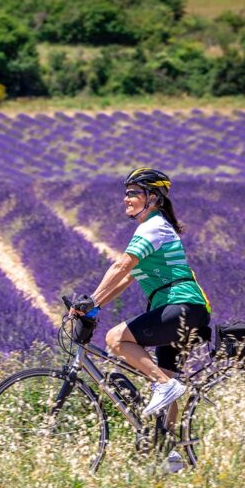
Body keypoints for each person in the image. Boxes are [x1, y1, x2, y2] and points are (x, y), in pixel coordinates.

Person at [72, 167, 212, 426]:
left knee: (115, 339)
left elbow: (121, 266)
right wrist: (94, 307)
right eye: (126, 193)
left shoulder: (153, 227)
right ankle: (168, 451)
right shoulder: (154, 227)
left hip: (181, 306)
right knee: (167, 382)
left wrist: (91, 300)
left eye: (134, 193)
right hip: (185, 309)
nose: (126, 198)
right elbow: (126, 279)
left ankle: (164, 385)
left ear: (153, 197)